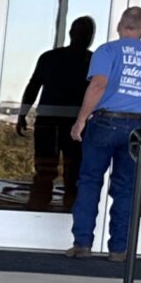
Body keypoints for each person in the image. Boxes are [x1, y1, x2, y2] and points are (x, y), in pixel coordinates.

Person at [69, 5, 141, 258]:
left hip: (106, 122)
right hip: (138, 127)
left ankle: (82, 244)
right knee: (125, 188)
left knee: (90, 181)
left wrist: (81, 120)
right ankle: (119, 250)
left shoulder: (108, 50)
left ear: (120, 26)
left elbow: (98, 84)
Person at [16, 15, 95, 213]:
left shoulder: (50, 58)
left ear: (70, 33)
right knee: (71, 171)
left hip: (53, 120)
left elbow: (33, 86)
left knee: (47, 169)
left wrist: (22, 114)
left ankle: (39, 208)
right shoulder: (92, 61)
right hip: (72, 122)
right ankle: (68, 212)